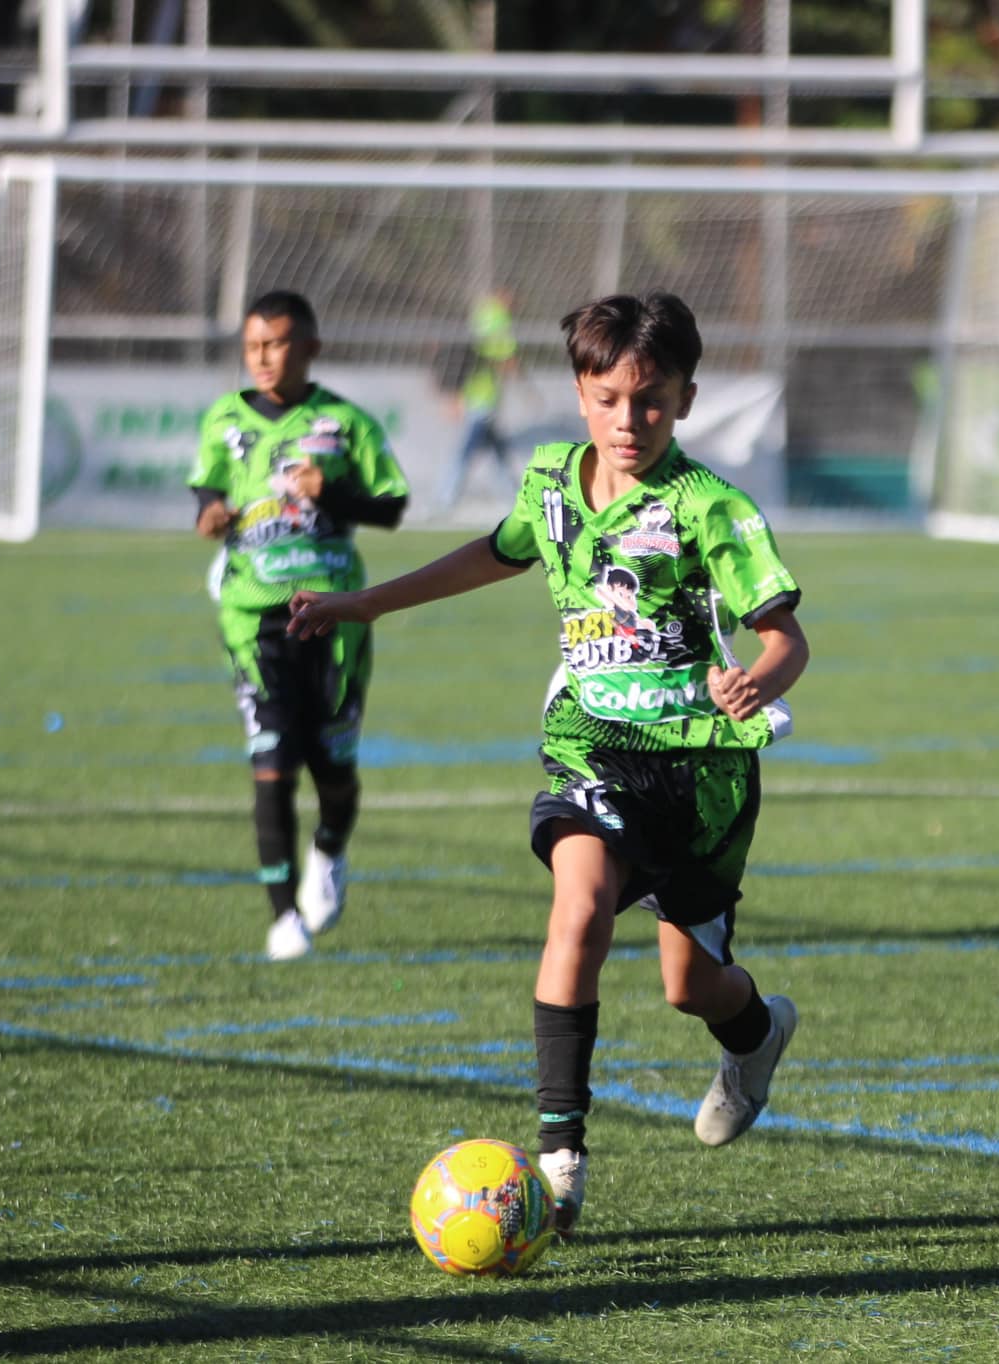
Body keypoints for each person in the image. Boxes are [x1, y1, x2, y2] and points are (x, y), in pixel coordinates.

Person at [289, 290, 808, 1236]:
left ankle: (759, 1032)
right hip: (590, 748)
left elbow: (786, 639)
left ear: (686, 399)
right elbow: (492, 555)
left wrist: (758, 683)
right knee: (578, 904)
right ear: (579, 393)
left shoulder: (712, 509)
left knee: (691, 986)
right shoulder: (551, 486)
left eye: (650, 401)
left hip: (700, 772)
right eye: (609, 398)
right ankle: (560, 1163)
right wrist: (362, 605)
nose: (628, 420)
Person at [187, 290, 410, 962]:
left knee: (333, 770)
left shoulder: (345, 423)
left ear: (308, 347)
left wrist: (329, 494)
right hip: (254, 612)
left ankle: (330, 848)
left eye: (277, 344)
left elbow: (391, 507)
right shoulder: (224, 419)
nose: (262, 357)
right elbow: (207, 488)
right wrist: (211, 513)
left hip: (335, 613)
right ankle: (283, 915)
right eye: (253, 345)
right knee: (272, 761)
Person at [441, 289, 519, 507]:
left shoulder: (479, 317)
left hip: (473, 391)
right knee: (468, 448)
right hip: (484, 396)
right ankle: (445, 495)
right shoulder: (498, 322)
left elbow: (462, 358)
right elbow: (507, 358)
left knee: (496, 447)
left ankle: (512, 493)